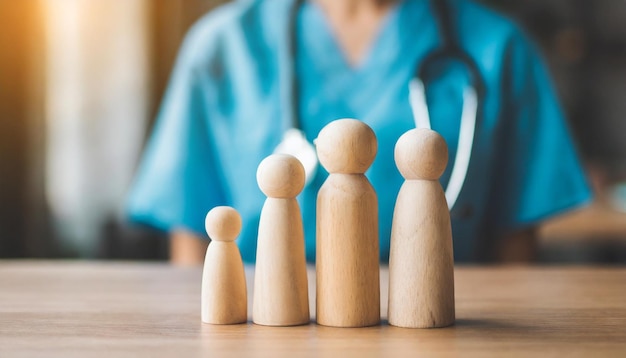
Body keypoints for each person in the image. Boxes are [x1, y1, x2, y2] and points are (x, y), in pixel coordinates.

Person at [127, 0, 592, 265]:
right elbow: (192, 243)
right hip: (262, 327)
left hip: (444, 332)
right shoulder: (222, 47)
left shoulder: (499, 49)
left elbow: (517, 251)